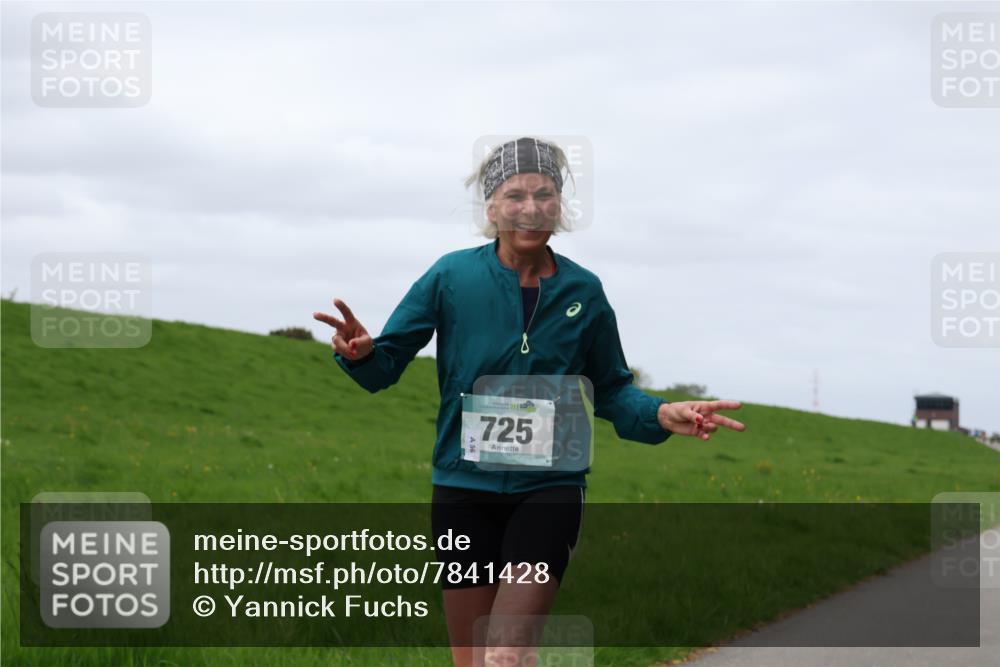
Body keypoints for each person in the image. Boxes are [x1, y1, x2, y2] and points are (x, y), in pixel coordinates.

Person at [314, 137, 746, 666]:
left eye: (545, 194)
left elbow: (610, 388)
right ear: (492, 207)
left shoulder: (584, 292)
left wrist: (660, 412)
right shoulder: (450, 277)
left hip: (549, 489)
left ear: (560, 206)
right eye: (515, 195)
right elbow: (384, 366)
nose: (531, 207)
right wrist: (360, 354)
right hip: (462, 490)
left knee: (507, 655)